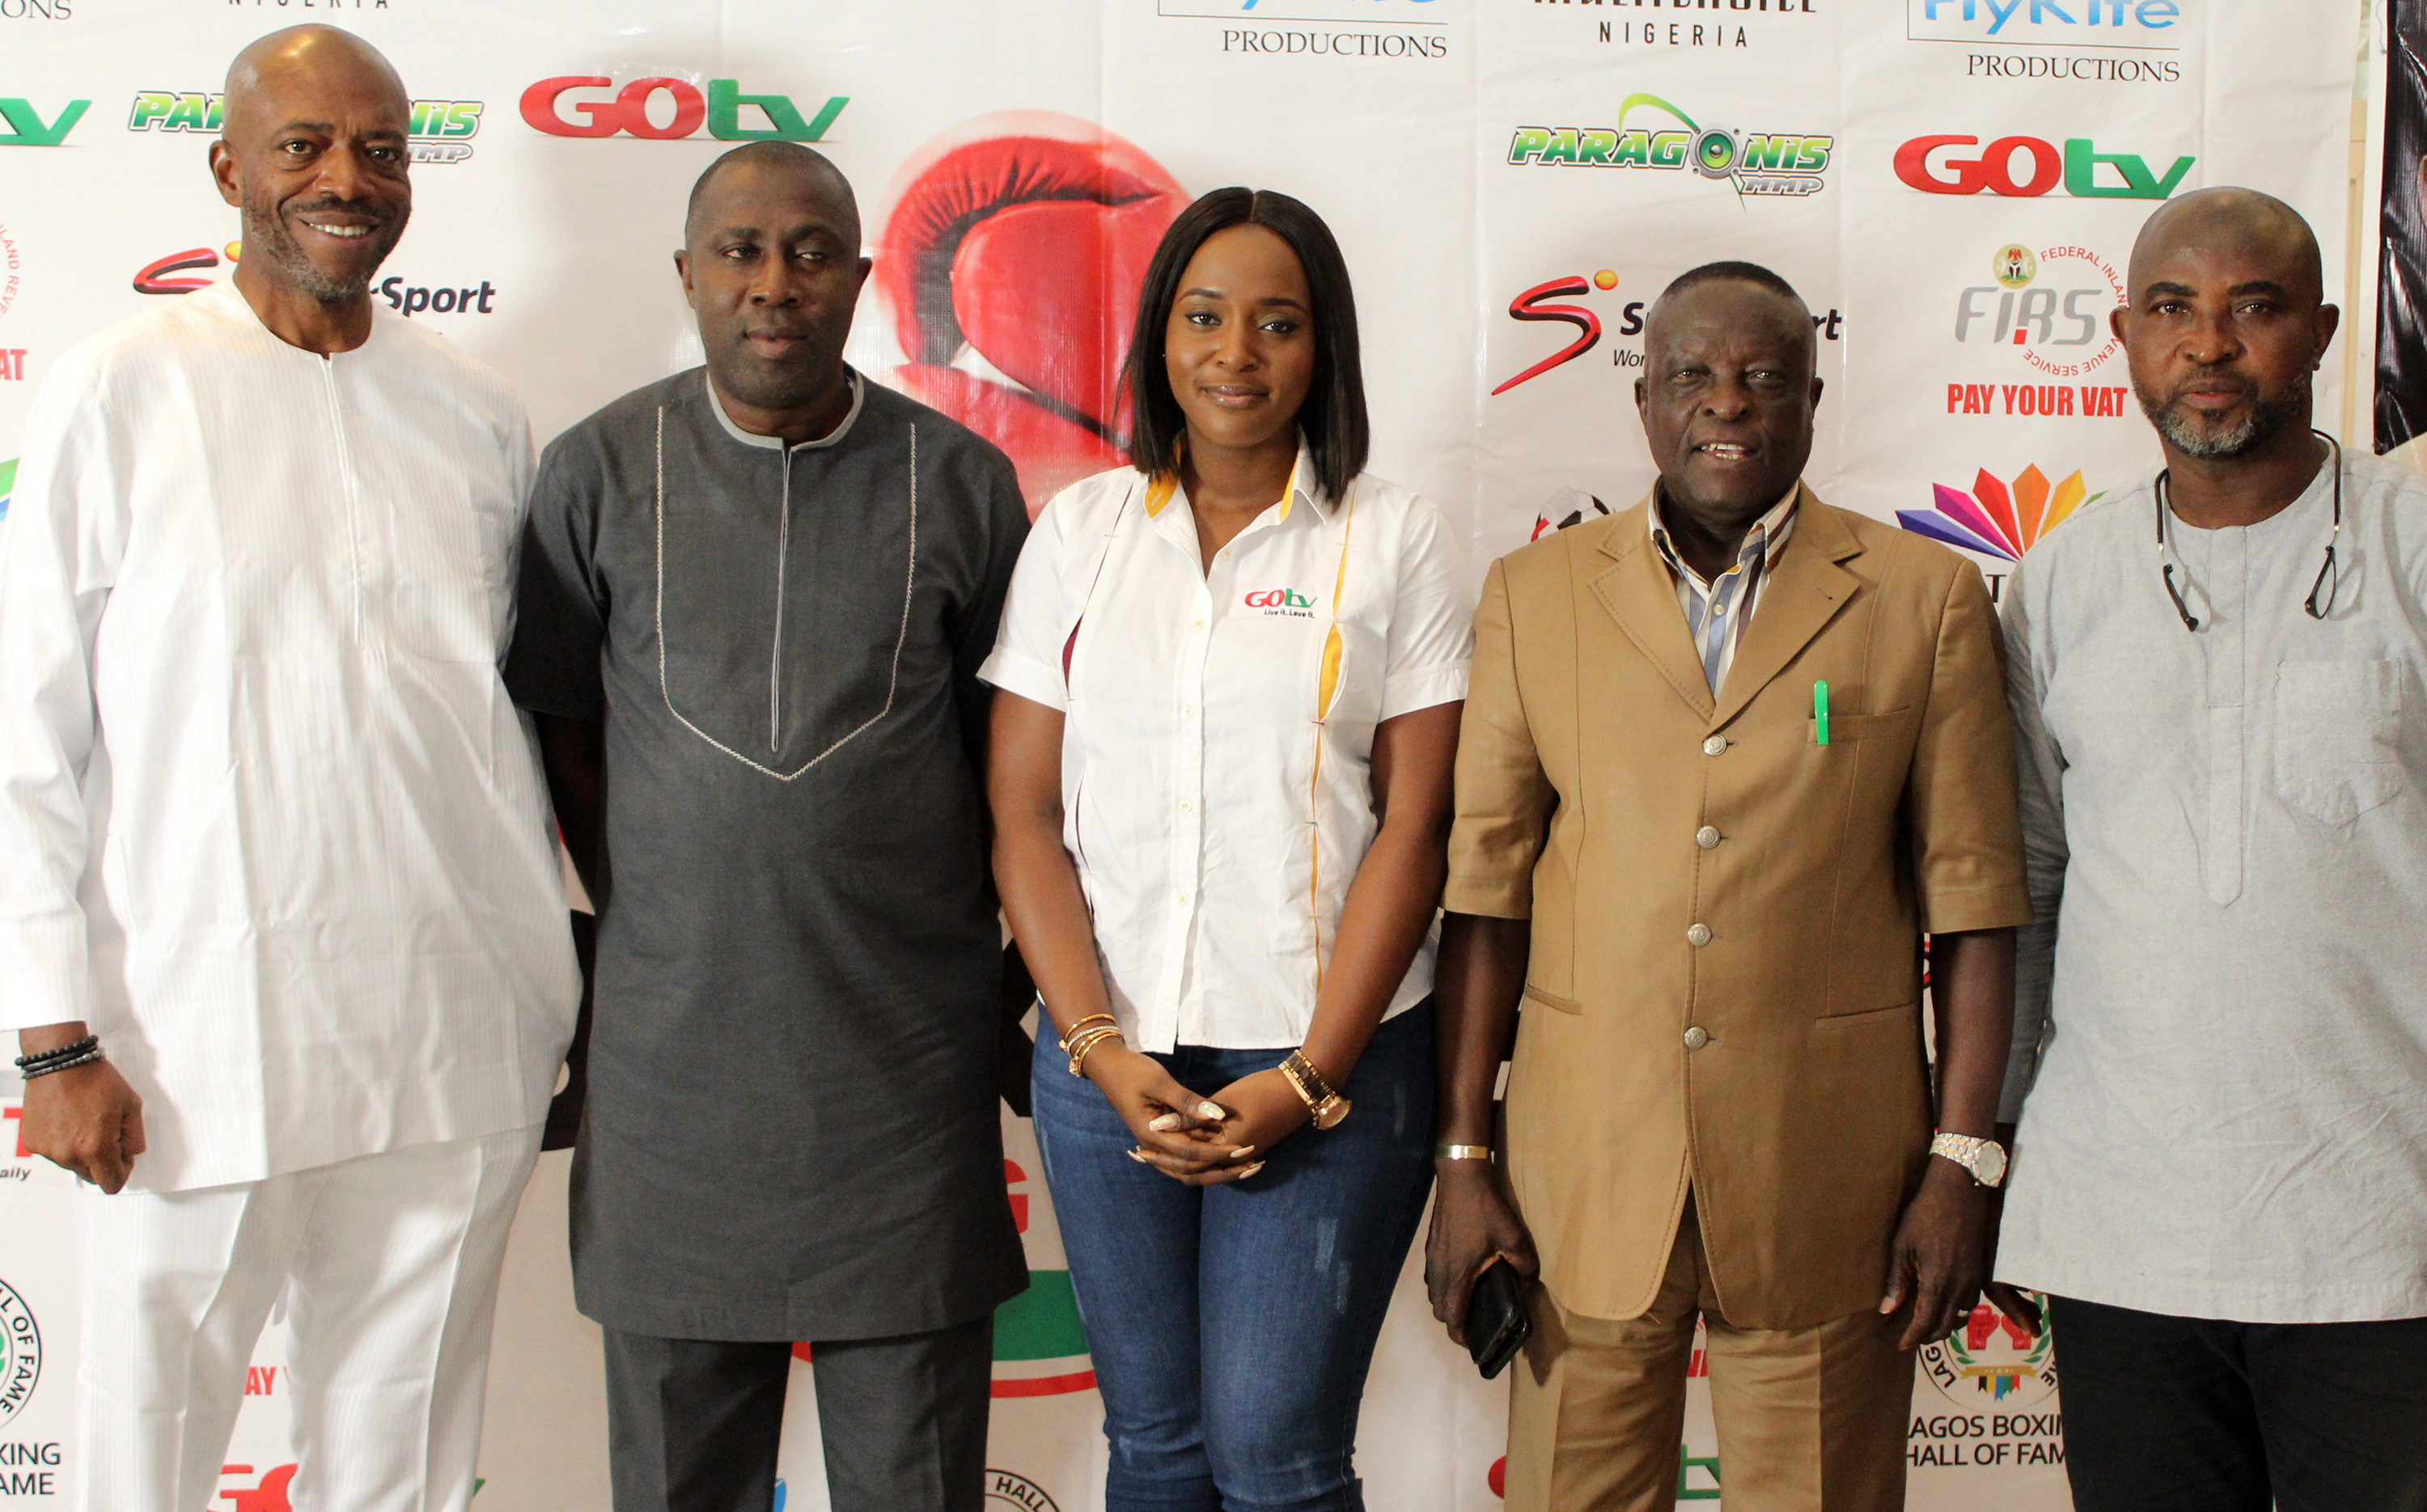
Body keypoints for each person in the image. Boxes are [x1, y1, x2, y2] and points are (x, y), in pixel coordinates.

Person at [0, 26, 579, 1512]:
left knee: (407, 1465)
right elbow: (27, 735)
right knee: (144, 1452)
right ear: (227, 169)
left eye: (380, 150)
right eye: (303, 145)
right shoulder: (121, 389)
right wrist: (53, 1041)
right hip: (192, 1037)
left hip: (454, 1027)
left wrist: (560, 990)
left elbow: (508, 716)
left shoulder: (475, 411)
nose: (346, 179)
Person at [1426, 261, 2035, 1511]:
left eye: (1765, 376)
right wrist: (1463, 1152)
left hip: (1835, 1178)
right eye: (1693, 375)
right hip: (1586, 1173)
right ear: (1644, 399)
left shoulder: (1923, 597)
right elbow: (1486, 895)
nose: (1729, 403)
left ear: (1813, 398)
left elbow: (1975, 902)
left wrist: (1961, 1161)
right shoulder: (1535, 595)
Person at [502, 141, 1029, 1512]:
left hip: (901, 1081)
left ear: (862, 277)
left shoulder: (962, 483)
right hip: (673, 1079)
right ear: (687, 272)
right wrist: (666, 898)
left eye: (810, 252)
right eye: (739, 250)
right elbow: (563, 734)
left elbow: (1018, 767)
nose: (773, 283)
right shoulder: (594, 473)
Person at [985, 188, 1472, 1512]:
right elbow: (1024, 814)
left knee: (1274, 1454)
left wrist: (1309, 1078)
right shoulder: (1082, 533)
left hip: (1330, 1062)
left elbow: (1415, 826)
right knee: (1155, 1447)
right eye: (1203, 317)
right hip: (1108, 1064)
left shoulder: (1394, 538)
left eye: (1277, 323)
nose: (1235, 353)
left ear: (1325, 347)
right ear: (1160, 336)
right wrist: (1098, 1049)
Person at [1991, 188, 2427, 1512]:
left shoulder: (2411, 545)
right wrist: (1992, 1141)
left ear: (2324, 333)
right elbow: (2029, 883)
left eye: (2257, 308)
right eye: (2175, 309)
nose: (2212, 344)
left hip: (2385, 1229)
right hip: (2125, 1229)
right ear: (2126, 332)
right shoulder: (2059, 581)